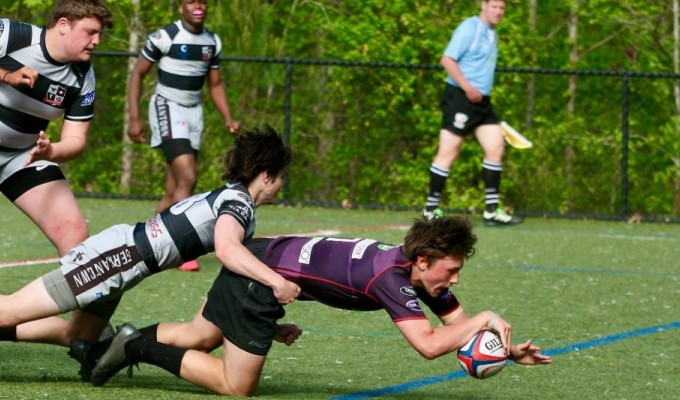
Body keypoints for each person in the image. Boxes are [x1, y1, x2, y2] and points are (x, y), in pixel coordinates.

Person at [91, 216, 552, 396]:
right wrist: (488, 318)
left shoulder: (417, 273)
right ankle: (137, 347)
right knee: (236, 387)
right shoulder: (389, 278)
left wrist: (504, 349)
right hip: (259, 279)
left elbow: (459, 325)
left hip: (260, 261)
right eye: (450, 271)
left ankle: (117, 340)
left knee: (199, 337)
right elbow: (431, 345)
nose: (454, 280)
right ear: (423, 260)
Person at [0, 126, 300, 382]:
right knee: (8, 310)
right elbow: (227, 249)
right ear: (266, 174)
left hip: (124, 262)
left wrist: (266, 326)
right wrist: (277, 282)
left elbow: (230, 288)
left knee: (79, 337)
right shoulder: (239, 203)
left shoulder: (234, 199)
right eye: (282, 176)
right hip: (116, 260)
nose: (283, 185)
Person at [127, 0, 240, 271]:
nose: (198, 6)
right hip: (168, 106)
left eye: (202, 2)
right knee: (188, 176)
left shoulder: (212, 41)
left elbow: (215, 84)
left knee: (174, 188)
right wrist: (134, 118)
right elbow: (137, 75)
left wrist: (228, 117)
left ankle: (143, 242)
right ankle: (179, 247)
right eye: (191, 2)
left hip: (194, 113)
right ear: (181, 7)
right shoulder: (165, 37)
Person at [0, 0, 111, 254]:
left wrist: (49, 152)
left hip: (22, 156)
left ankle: (69, 294)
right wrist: (7, 75)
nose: (97, 41)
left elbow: (76, 140)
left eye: (100, 34)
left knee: (75, 235)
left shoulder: (83, 75)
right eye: (90, 32)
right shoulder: (12, 35)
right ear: (63, 24)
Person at [423, 0, 522, 227]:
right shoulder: (469, 28)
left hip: (481, 101)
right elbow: (447, 60)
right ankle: (430, 208)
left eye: (502, 8)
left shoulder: (492, 32)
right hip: (460, 97)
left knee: (496, 146)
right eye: (494, 6)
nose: (498, 12)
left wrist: (476, 92)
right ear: (483, 5)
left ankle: (491, 211)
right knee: (449, 150)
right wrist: (467, 87)